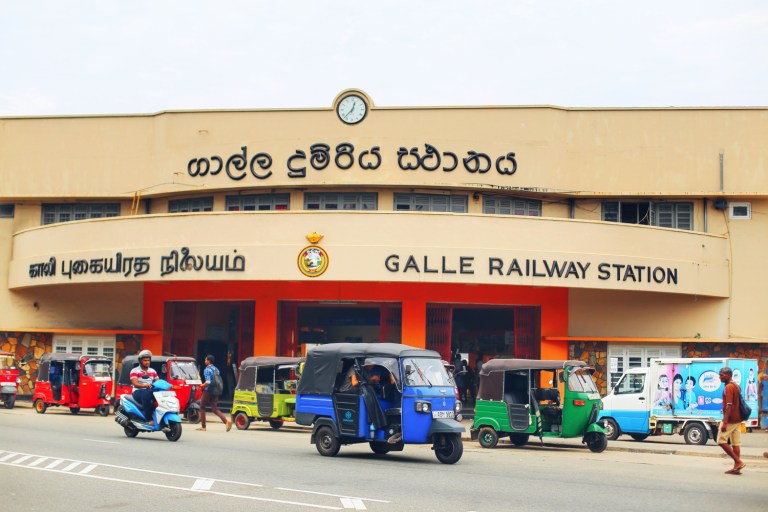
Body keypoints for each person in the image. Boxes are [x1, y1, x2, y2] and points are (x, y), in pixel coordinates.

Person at [717, 367, 746, 475]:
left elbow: (729, 405)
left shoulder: (729, 387)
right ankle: (736, 468)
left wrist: (725, 422)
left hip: (730, 419)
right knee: (735, 443)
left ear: (728, 375)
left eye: (721, 375)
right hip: (738, 419)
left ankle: (738, 462)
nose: (719, 377)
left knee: (721, 441)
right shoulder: (735, 385)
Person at [198, 354, 232, 432]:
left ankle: (203, 426)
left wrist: (201, 385)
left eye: (206, 360)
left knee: (202, 407)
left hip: (208, 390)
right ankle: (226, 421)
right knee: (214, 408)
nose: (205, 361)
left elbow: (208, 382)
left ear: (208, 361)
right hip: (216, 390)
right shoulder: (216, 369)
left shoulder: (207, 369)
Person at [130, 349, 159, 423]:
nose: (147, 362)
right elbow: (135, 384)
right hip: (138, 391)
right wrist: (144, 385)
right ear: (140, 361)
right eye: (145, 360)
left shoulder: (153, 371)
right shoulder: (134, 371)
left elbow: (157, 381)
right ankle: (149, 419)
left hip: (149, 390)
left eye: (148, 360)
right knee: (146, 395)